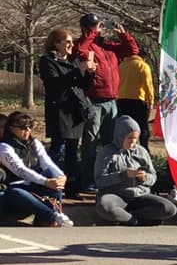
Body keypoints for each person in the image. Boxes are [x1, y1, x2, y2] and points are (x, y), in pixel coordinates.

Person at [75, 15, 140, 197]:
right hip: (94, 100)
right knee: (90, 143)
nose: (100, 29)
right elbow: (80, 49)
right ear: (87, 28)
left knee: (110, 143)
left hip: (112, 101)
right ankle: (87, 180)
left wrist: (123, 34)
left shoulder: (108, 47)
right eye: (95, 26)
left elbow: (132, 50)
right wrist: (93, 33)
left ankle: (108, 179)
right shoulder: (86, 45)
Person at [37, 28, 94, 196]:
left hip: (75, 112)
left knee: (72, 152)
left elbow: (83, 85)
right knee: (58, 149)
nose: (71, 45)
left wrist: (89, 73)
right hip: (60, 112)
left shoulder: (72, 61)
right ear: (56, 43)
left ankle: (72, 189)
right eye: (67, 42)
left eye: (72, 41)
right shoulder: (47, 61)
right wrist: (78, 70)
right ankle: (50, 185)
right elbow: (55, 83)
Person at [94, 116, 177, 225]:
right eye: (129, 138)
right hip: (116, 195)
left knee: (169, 208)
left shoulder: (141, 151)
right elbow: (99, 180)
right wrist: (123, 175)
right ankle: (134, 220)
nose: (133, 142)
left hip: (140, 195)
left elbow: (153, 177)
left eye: (135, 138)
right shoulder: (106, 152)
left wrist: (144, 177)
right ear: (120, 136)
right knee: (104, 206)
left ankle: (127, 216)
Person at [0, 111, 74, 227]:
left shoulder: (35, 143)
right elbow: (20, 170)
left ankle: (46, 219)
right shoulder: (4, 147)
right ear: (11, 128)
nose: (28, 131)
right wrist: (45, 182)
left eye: (30, 127)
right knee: (17, 193)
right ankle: (53, 216)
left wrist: (61, 176)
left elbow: (47, 163)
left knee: (53, 173)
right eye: (23, 128)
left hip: (35, 183)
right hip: (15, 187)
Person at [116, 54, 154, 147]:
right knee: (142, 128)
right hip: (137, 101)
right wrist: (151, 101)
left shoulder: (121, 66)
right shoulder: (143, 66)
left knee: (123, 127)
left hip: (121, 101)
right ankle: (144, 150)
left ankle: (122, 148)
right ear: (143, 57)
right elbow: (148, 86)